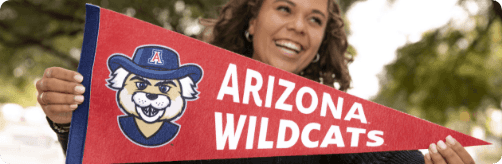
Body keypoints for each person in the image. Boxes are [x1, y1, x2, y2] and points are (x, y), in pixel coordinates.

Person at [36, 0, 476, 163]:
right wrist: (67, 118)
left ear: (323, 40)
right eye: (284, 9)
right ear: (252, 20)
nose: (299, 26)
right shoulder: (185, 101)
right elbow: (114, 151)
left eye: (315, 19)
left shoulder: (344, 129)